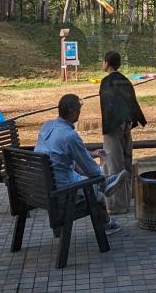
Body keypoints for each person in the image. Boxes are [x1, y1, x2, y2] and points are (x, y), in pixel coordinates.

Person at [35, 94, 128, 231]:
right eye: (79, 110)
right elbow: (91, 170)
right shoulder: (70, 136)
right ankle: (107, 222)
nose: (80, 113)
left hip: (41, 187)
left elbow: (58, 153)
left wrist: (90, 154)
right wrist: (98, 175)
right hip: (61, 191)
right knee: (96, 191)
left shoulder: (46, 126)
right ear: (73, 112)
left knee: (83, 173)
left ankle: (105, 183)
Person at [98, 52, 146, 216]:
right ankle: (125, 201)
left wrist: (114, 124)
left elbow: (109, 106)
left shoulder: (106, 82)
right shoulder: (125, 80)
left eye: (103, 62)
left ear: (107, 63)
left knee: (114, 166)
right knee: (126, 164)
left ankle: (116, 205)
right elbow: (131, 102)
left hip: (113, 128)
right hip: (127, 126)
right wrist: (129, 121)